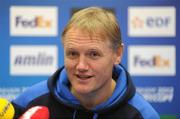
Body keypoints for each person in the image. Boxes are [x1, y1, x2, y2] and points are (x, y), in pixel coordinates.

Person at [12, 7, 159, 119]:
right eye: (73, 54)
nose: (81, 66)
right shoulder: (30, 101)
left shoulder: (142, 115)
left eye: (93, 54)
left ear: (117, 54)